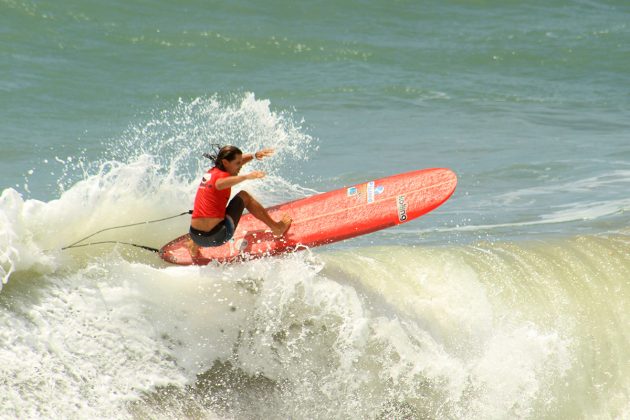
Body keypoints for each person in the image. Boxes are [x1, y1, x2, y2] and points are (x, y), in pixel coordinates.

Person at [188, 145, 292, 256]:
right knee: (244, 196)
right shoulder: (220, 180)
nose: (240, 166)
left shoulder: (211, 173)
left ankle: (193, 246)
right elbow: (221, 183)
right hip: (217, 236)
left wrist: (254, 155)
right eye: (238, 163)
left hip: (195, 236)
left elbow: (233, 168)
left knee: (206, 206)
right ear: (225, 163)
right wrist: (247, 177)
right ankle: (277, 228)